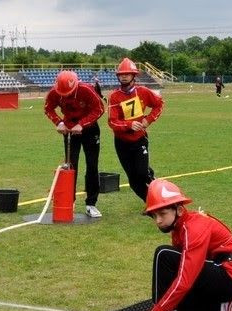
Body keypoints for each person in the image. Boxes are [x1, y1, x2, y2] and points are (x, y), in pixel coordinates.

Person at [129, 179, 232, 311]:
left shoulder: (193, 228)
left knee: (164, 254)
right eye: (154, 215)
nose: (158, 220)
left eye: (162, 213)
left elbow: (185, 278)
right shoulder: (180, 228)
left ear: (179, 210)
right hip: (216, 276)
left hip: (231, 276)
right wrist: (163, 309)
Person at [44, 70, 105, 218]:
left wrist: (82, 124)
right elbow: (48, 108)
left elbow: (99, 109)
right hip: (70, 131)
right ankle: (68, 202)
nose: (65, 96)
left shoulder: (86, 90)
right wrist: (59, 122)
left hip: (90, 130)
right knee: (70, 166)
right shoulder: (54, 92)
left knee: (92, 165)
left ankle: (91, 204)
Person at [107, 58, 162, 201]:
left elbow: (159, 104)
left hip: (139, 139)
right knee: (133, 179)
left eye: (127, 74)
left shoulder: (143, 91)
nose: (123, 76)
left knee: (142, 174)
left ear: (134, 75)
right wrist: (129, 125)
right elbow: (112, 122)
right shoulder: (114, 97)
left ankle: (150, 177)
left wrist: (148, 120)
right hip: (121, 142)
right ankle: (149, 202)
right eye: (121, 74)